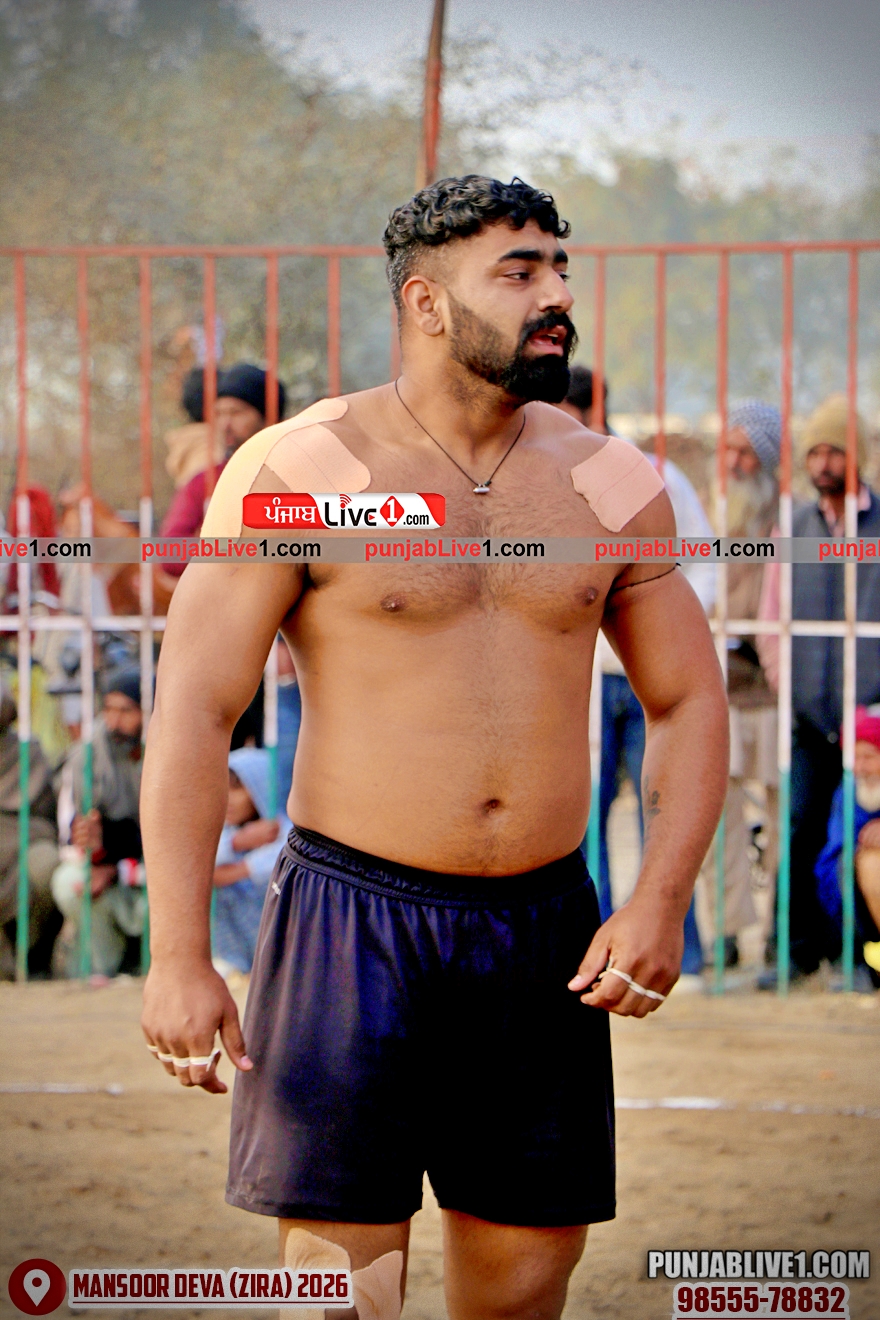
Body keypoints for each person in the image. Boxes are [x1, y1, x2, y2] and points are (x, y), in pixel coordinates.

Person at [141, 175, 728, 1320]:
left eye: (559, 267)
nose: (556, 295)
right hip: (349, 922)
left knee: (523, 1288)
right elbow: (196, 712)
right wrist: (177, 954)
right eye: (518, 272)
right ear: (424, 302)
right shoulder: (303, 471)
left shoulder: (609, 480)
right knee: (342, 1293)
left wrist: (660, 899)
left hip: (541, 931)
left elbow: (687, 701)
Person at [557, 368, 713, 985]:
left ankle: (683, 949)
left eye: (564, 408)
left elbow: (701, 560)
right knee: (580, 814)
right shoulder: (537, 475)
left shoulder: (647, 473)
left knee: (663, 814)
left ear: (591, 410)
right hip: (583, 679)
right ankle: (586, 943)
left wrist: (665, 631)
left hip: (646, 673)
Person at [758, 392, 880, 982]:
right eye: (815, 453)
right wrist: (790, 684)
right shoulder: (794, 526)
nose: (823, 463)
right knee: (799, 831)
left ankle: (860, 956)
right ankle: (792, 951)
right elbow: (771, 618)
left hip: (872, 720)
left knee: (861, 840)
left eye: (835, 451)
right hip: (809, 717)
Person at [698, 402, 781, 970]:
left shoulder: (790, 518)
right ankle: (727, 932)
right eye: (728, 449)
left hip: (773, 691)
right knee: (716, 821)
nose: (733, 461)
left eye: (746, 452)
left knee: (780, 818)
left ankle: (778, 929)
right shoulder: (706, 512)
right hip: (717, 688)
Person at [51, 666, 146, 978]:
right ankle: (104, 968)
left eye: (126, 710)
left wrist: (116, 862)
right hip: (107, 863)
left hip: (149, 865)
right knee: (69, 883)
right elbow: (75, 834)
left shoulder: (165, 749)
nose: (114, 721)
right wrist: (96, 854)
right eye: (108, 709)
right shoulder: (87, 757)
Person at [159, 362, 287, 552]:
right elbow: (171, 549)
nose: (225, 424)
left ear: (268, 417)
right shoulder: (204, 481)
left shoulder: (299, 474)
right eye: (219, 413)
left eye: (236, 412)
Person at [212, 746, 292, 982]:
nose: (227, 798)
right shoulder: (226, 834)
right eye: (223, 788)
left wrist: (234, 871)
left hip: (279, 954)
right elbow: (198, 865)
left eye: (237, 788)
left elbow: (275, 862)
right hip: (234, 956)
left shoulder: (286, 832)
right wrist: (237, 843)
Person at [814, 706, 880, 990]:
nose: (861, 767)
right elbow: (835, 848)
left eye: (870, 757)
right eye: (856, 757)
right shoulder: (848, 793)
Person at [0, 689, 60, 979]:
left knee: (46, 863)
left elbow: (47, 819)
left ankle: (31, 955)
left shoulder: (29, 754)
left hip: (21, 841)